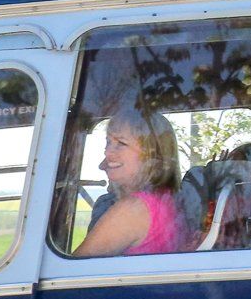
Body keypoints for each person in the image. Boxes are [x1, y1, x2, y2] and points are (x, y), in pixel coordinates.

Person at [74, 109, 192, 256]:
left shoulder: (133, 209)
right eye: (108, 142)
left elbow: (69, 272)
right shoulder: (166, 198)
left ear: (151, 153)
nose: (107, 152)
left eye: (121, 143)